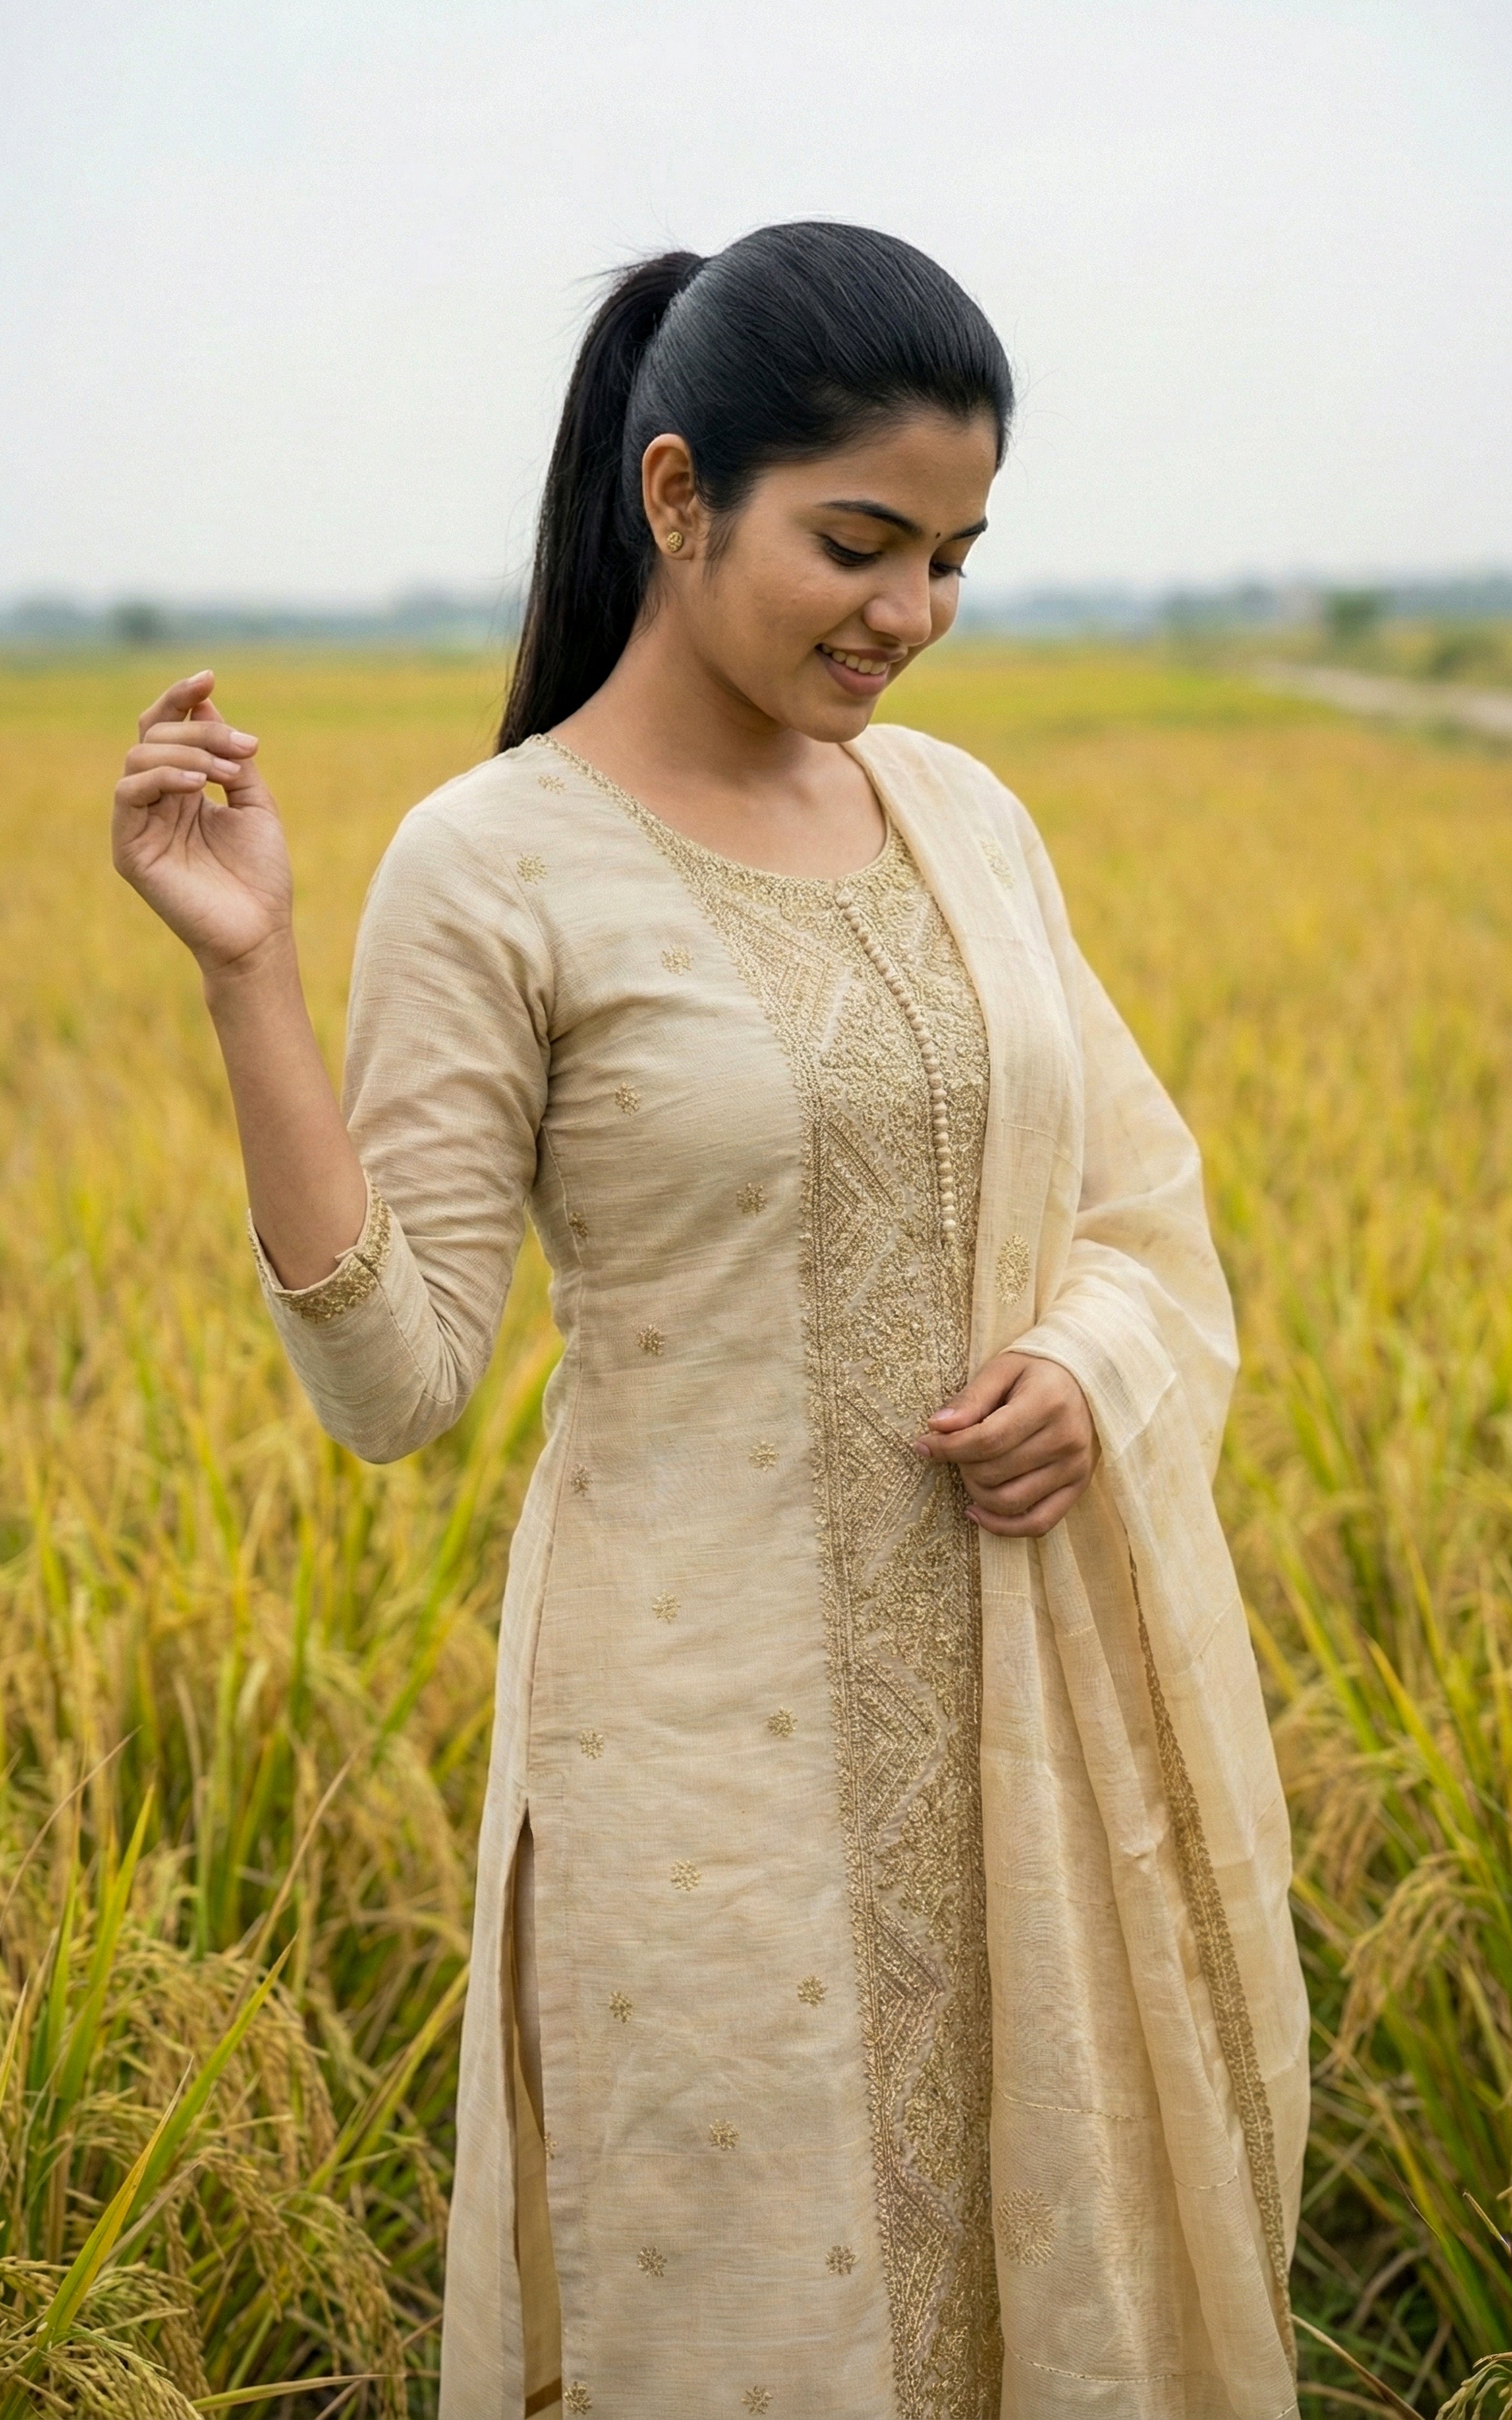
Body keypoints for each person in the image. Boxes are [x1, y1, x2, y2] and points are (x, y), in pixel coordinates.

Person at [112, 222, 1308, 2420]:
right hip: (702, 1787)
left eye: (953, 558)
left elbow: (1145, 1213)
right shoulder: (494, 863)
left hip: (1030, 1751)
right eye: (858, 544)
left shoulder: (964, 818)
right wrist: (246, 972)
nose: (909, 617)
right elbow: (397, 1383)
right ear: (677, 498)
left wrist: (1087, 1370)